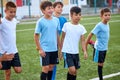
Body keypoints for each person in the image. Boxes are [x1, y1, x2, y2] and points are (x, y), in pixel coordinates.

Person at [34, 1, 60, 80]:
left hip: (54, 48)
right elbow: (36, 36)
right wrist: (40, 49)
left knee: (51, 67)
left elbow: (57, 34)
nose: (51, 10)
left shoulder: (56, 20)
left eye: (52, 8)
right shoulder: (40, 21)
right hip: (45, 49)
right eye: (49, 8)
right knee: (45, 67)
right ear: (43, 10)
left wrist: (59, 48)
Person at [61, 6, 88, 80]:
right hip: (67, 52)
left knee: (75, 71)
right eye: (76, 15)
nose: (78, 16)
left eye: (79, 14)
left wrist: (85, 51)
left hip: (76, 52)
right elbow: (62, 38)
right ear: (71, 15)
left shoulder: (81, 27)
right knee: (72, 70)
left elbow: (82, 41)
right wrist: (61, 51)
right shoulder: (66, 25)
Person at [85, 8, 111, 80]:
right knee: (100, 64)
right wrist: (85, 46)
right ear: (101, 16)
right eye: (106, 15)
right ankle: (101, 78)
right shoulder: (99, 25)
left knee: (102, 62)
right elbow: (90, 34)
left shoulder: (107, 24)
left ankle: (92, 43)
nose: (108, 16)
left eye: (109, 15)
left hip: (104, 47)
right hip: (100, 48)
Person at [0, 1, 22, 80]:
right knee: (7, 72)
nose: (13, 14)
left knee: (18, 70)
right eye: (11, 12)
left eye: (14, 12)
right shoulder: (2, 22)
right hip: (4, 52)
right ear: (5, 11)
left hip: (14, 51)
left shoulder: (14, 20)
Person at [52, 1, 67, 80]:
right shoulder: (51, 19)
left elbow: (64, 34)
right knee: (48, 65)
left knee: (54, 63)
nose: (60, 9)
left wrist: (61, 49)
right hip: (50, 44)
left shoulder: (63, 19)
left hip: (57, 44)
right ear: (53, 8)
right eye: (58, 7)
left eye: (61, 7)